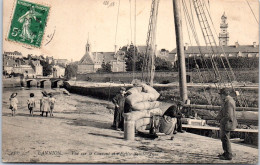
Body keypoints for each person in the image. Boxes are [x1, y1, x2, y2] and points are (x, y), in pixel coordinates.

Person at [216, 88, 237, 160]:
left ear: (224, 94)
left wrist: (221, 120)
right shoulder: (227, 100)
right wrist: (218, 117)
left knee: (225, 138)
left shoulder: (228, 102)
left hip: (227, 123)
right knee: (224, 138)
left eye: (221, 95)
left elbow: (228, 115)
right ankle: (226, 152)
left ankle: (228, 155)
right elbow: (224, 112)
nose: (220, 96)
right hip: (226, 123)